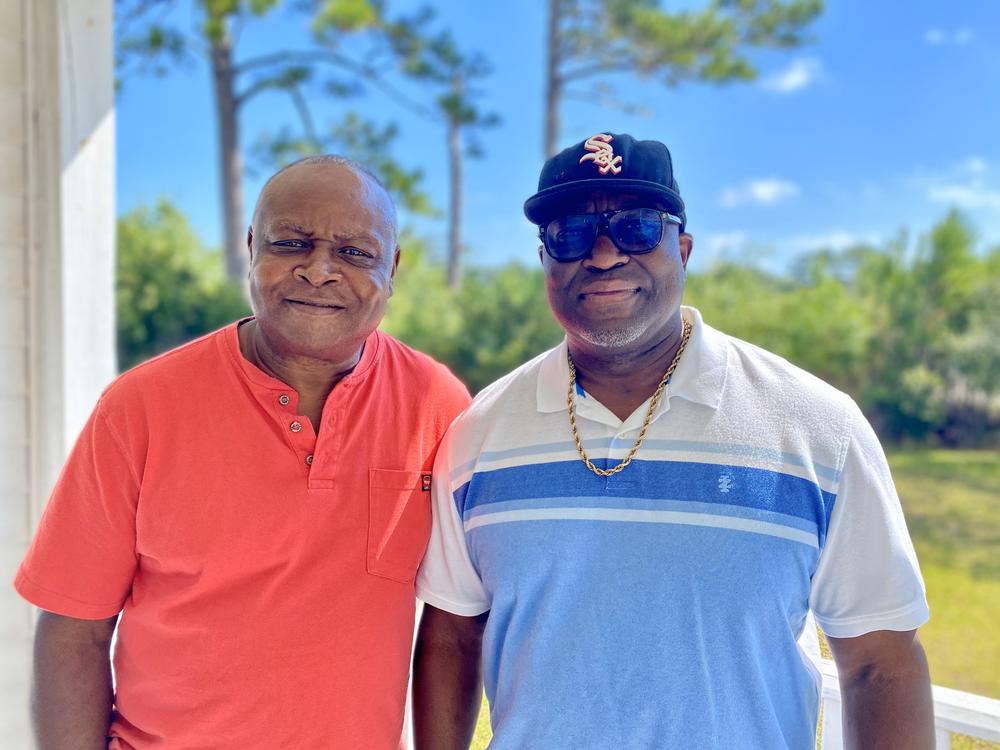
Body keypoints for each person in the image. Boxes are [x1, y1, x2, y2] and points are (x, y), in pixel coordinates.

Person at [412, 133, 934, 749]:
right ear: (544, 259)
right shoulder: (479, 433)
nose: (604, 255)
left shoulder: (819, 426)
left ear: (681, 248)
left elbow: (880, 660)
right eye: (571, 233)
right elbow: (452, 633)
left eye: (636, 227)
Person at [15, 155, 470, 750]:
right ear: (253, 247)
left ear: (393, 266)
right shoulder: (140, 408)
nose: (319, 271)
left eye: (356, 252)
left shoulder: (438, 407)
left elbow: (456, 625)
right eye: (293, 243)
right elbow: (74, 630)